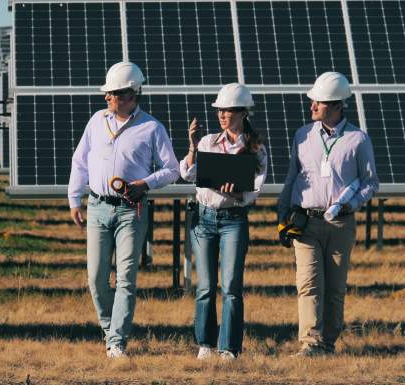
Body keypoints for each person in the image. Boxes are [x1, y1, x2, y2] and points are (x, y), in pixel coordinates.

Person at [68, 61, 180, 359]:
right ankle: (110, 329)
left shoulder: (151, 128)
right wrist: (74, 198)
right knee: (96, 277)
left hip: (132, 210)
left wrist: (146, 182)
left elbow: (172, 169)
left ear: (132, 95)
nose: (108, 98)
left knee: (126, 278)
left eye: (114, 93)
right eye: (108, 94)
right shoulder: (96, 121)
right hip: (98, 207)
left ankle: (116, 341)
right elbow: (80, 161)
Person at [278, 72, 379, 357]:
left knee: (334, 287)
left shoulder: (358, 140)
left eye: (317, 103)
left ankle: (327, 344)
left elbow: (371, 182)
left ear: (335, 105)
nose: (311, 107)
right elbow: (292, 177)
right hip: (305, 221)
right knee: (308, 284)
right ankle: (310, 343)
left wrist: (351, 204)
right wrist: (282, 213)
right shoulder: (303, 135)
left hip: (340, 223)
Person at [180, 83, 268, 360]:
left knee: (231, 287)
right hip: (204, 219)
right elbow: (187, 174)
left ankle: (228, 347)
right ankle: (205, 343)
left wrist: (238, 192)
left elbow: (254, 190)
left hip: (233, 220)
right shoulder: (207, 142)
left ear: (243, 113)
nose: (222, 115)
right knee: (205, 287)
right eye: (219, 110)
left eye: (228, 110)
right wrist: (192, 147)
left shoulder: (256, 148)